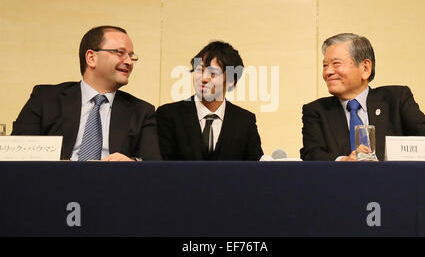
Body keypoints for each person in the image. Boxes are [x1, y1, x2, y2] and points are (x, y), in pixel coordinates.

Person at [12, 25, 161, 161]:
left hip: (114, 185)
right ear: (91, 58)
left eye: (131, 56)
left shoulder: (141, 111)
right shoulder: (46, 98)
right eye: (120, 53)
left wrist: (132, 164)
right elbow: (16, 153)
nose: (129, 62)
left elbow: (153, 166)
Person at [300, 33, 425, 161]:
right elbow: (311, 154)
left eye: (336, 64)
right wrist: (343, 161)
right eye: (325, 66)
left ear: (365, 68)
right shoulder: (316, 111)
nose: (328, 72)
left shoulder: (396, 99)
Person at [156, 41, 264, 160]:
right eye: (200, 70)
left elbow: (255, 170)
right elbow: (161, 167)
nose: (204, 78)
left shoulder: (244, 121)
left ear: (230, 80)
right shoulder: (168, 115)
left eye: (213, 73)